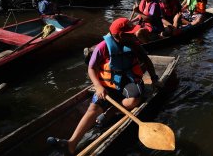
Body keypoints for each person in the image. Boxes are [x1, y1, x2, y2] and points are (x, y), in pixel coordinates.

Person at [47, 18, 162, 155]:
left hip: (129, 81)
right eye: (129, 33)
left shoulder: (134, 44)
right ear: (120, 35)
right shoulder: (102, 47)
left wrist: (154, 79)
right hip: (109, 85)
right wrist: (98, 86)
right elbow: (91, 69)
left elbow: (147, 61)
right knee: (93, 108)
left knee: (134, 101)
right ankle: (71, 143)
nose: (133, 35)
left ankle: (111, 111)